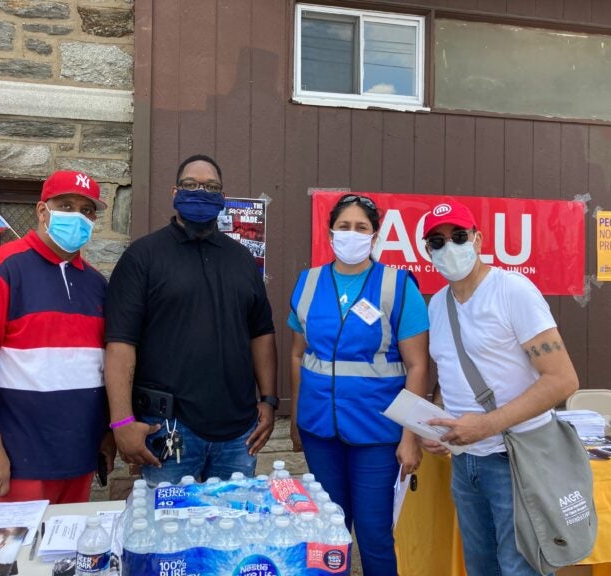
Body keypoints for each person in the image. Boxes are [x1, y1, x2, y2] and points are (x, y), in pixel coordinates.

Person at [419, 200, 579, 576]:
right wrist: (439, 424)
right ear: (428, 252)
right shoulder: (438, 304)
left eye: (458, 236)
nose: (449, 247)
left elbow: (563, 379)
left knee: (520, 569)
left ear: (478, 239)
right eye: (437, 242)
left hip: (516, 459)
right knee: (482, 568)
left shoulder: (513, 291)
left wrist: (486, 425)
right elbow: (451, 372)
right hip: (465, 462)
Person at [104, 154, 277, 485]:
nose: (201, 192)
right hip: (168, 428)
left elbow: (262, 333)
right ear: (174, 192)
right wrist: (121, 421)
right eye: (191, 185)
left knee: (233, 530)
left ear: (222, 198)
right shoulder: (143, 256)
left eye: (211, 187)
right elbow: (121, 343)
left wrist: (268, 400)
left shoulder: (241, 259)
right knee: (168, 529)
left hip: (238, 431)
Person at [0, 170, 114, 504]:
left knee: (65, 553)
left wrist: (105, 435)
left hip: (77, 458)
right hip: (14, 463)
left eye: (87, 210)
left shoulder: (97, 284)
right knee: (12, 556)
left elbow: (99, 366)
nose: (77, 217)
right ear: (42, 211)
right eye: (66, 205)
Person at [288, 194, 430, 576]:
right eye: (344, 226)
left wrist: (410, 436)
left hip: (378, 435)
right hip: (320, 430)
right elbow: (299, 355)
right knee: (328, 534)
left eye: (361, 227)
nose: (351, 234)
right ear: (331, 232)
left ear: (375, 235)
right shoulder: (309, 282)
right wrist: (297, 416)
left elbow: (418, 366)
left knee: (373, 535)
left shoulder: (397, 285)